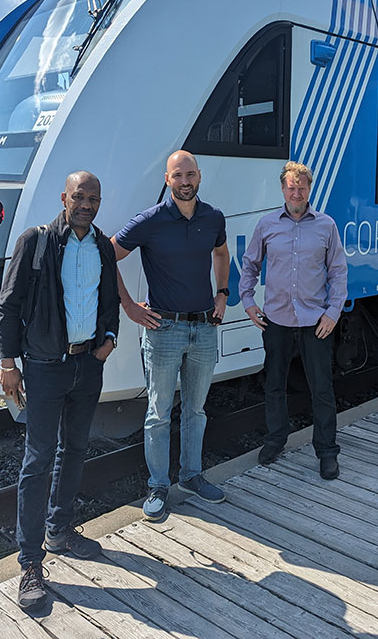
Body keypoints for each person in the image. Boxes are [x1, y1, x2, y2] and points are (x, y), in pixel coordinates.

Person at [0, 171, 120, 610]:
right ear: (64, 198)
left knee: (77, 449)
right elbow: (8, 307)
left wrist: (109, 341)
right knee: (38, 459)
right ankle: (30, 561)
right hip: (46, 366)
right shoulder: (37, 241)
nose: (87, 204)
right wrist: (8, 365)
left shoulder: (103, 245)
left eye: (94, 198)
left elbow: (109, 299)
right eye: (80, 196)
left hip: (88, 364)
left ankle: (60, 530)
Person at [112, 150, 230, 522]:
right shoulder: (150, 220)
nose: (185, 181)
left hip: (203, 328)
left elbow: (222, 254)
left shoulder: (213, 217)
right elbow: (106, 255)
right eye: (177, 175)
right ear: (167, 180)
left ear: (199, 176)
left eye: (190, 174)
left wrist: (222, 294)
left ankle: (192, 477)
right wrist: (129, 306)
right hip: (162, 330)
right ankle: (158, 485)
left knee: (195, 410)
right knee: (159, 413)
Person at [239, 161, 348, 480]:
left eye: (301, 186)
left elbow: (338, 272)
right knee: (274, 384)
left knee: (322, 388)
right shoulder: (267, 225)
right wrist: (248, 302)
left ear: (309, 189)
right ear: (282, 189)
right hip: (277, 320)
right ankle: (275, 439)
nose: (296, 191)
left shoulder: (326, 225)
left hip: (317, 320)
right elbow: (250, 265)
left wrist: (333, 312)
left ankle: (327, 451)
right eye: (291, 186)